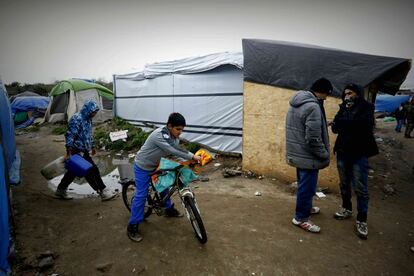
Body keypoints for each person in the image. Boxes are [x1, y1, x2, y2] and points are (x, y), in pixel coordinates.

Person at [127, 112, 202, 242]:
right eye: (178, 129)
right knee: (141, 195)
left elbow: (173, 155)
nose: (180, 132)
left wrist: (188, 163)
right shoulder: (159, 135)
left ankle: (168, 209)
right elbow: (173, 149)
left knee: (164, 184)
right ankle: (132, 226)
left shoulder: (174, 137)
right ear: (169, 126)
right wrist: (192, 156)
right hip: (143, 167)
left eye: (182, 130)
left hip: (157, 164)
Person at [331, 84, 378, 240]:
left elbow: (363, 126)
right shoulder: (343, 107)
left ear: (357, 93)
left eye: (350, 93)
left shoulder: (367, 107)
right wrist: (344, 119)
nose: (347, 96)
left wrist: (343, 122)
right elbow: (335, 129)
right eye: (345, 94)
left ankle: (362, 219)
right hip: (343, 152)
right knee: (344, 184)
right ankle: (346, 208)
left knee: (361, 188)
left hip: (359, 154)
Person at [285, 77, 332, 233]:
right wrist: (324, 154)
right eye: (327, 94)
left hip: (299, 153)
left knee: (304, 185)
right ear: (323, 91)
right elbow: (312, 138)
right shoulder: (312, 106)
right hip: (308, 156)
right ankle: (301, 218)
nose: (327, 98)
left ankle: (307, 208)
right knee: (307, 187)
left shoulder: (297, 102)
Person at [54, 100, 116, 201]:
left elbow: (88, 135)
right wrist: (68, 152)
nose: (94, 114)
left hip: (84, 149)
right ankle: (102, 191)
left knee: (73, 171)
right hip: (76, 150)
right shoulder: (77, 119)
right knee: (91, 170)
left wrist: (92, 146)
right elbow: (70, 135)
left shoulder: (88, 119)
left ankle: (60, 190)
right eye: (93, 112)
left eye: (95, 112)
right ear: (88, 110)